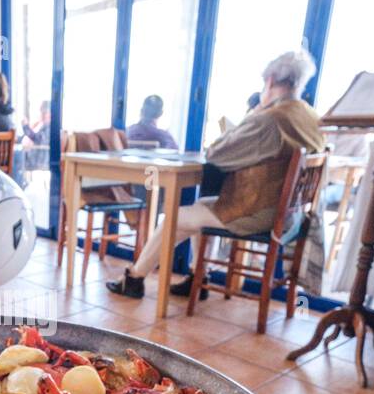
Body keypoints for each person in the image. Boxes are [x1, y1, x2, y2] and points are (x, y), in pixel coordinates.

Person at [107, 48, 325, 299]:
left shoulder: (269, 119)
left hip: (256, 212)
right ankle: (197, 277)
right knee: (199, 209)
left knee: (174, 218)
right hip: (288, 213)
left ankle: (134, 278)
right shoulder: (311, 118)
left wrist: (253, 114)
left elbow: (216, 154)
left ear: (270, 81)